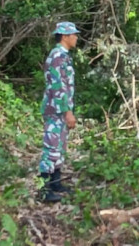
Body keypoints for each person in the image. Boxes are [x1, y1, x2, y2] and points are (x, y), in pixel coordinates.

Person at [39, 21, 80, 203]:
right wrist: (67, 112)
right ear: (65, 37)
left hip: (61, 110)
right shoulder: (57, 56)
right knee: (51, 148)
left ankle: (56, 182)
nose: (76, 38)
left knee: (59, 147)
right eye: (74, 35)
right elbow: (58, 87)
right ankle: (44, 189)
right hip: (56, 109)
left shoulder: (63, 55)